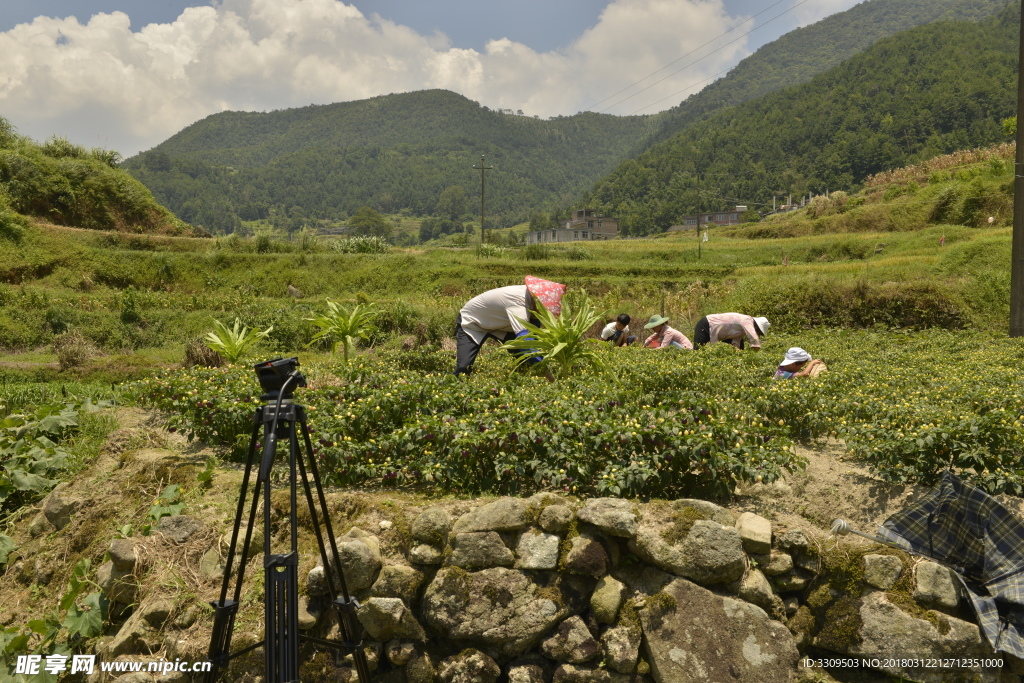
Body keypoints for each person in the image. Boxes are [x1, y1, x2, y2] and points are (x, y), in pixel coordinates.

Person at [454, 275, 565, 375]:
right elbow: (525, 340)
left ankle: (520, 383)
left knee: (524, 361)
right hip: (474, 322)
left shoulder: (533, 303)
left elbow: (533, 335)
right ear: (538, 300)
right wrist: (545, 371)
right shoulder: (518, 302)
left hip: (502, 326)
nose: (544, 312)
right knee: (464, 368)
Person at [693, 313, 770, 350]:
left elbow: (736, 342)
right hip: (706, 324)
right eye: (759, 332)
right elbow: (754, 338)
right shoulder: (747, 320)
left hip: (721, 332)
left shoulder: (741, 330)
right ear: (756, 326)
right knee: (697, 350)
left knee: (741, 347)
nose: (757, 334)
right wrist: (755, 352)